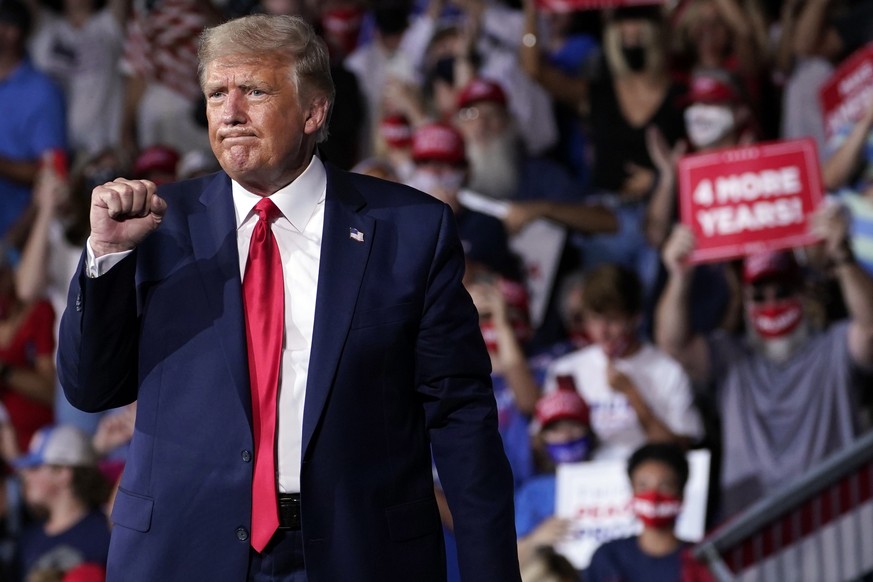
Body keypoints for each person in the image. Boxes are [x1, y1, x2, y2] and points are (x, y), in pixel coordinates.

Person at [56, 14, 520, 581]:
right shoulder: (154, 227)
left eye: (253, 91)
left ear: (313, 111)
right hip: (185, 553)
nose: (229, 113)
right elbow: (90, 387)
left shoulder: (409, 231)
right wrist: (105, 258)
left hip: (358, 552)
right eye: (216, 94)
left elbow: (460, 418)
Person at [655, 203, 873, 520]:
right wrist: (679, 277)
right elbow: (673, 343)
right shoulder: (730, 355)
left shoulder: (834, 346)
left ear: (803, 295)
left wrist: (842, 257)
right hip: (752, 532)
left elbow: (870, 329)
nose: (771, 303)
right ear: (743, 302)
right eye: (759, 295)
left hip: (834, 522)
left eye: (782, 292)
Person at [544, 264, 703, 461]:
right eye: (593, 319)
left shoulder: (668, 371)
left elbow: (682, 450)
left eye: (612, 320)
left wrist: (632, 394)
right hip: (585, 484)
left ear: (635, 318)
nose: (602, 332)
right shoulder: (566, 371)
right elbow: (541, 450)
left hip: (648, 484)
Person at [0, 0, 67, 241]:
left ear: (11, 32)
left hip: (15, 239)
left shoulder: (42, 92)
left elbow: (54, 172)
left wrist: (9, 245)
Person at [585, 442, 696, 582]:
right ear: (632, 492)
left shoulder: (701, 560)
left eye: (665, 486)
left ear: (681, 495)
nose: (653, 495)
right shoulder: (608, 557)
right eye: (643, 486)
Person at [13, 424, 111, 582]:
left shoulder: (105, 530)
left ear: (63, 473)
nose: (26, 476)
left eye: (35, 467)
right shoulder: (27, 539)